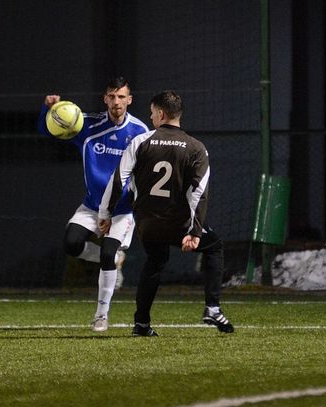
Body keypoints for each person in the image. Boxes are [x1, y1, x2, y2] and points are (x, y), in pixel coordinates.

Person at [99, 90, 234, 336]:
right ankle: (212, 307)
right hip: (178, 223)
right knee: (214, 246)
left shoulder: (141, 141)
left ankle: (141, 324)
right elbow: (199, 193)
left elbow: (118, 179)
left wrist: (105, 214)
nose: (151, 117)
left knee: (155, 262)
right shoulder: (196, 147)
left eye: (152, 113)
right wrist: (194, 231)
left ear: (161, 114)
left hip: (147, 223)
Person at [37, 77, 149, 332]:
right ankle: (115, 259)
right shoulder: (86, 125)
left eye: (121, 97)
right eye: (112, 96)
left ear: (129, 100)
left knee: (107, 254)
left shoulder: (140, 132)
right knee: (71, 244)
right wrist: (48, 109)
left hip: (122, 210)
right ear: (105, 99)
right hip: (92, 206)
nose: (117, 101)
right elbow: (46, 130)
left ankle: (101, 315)